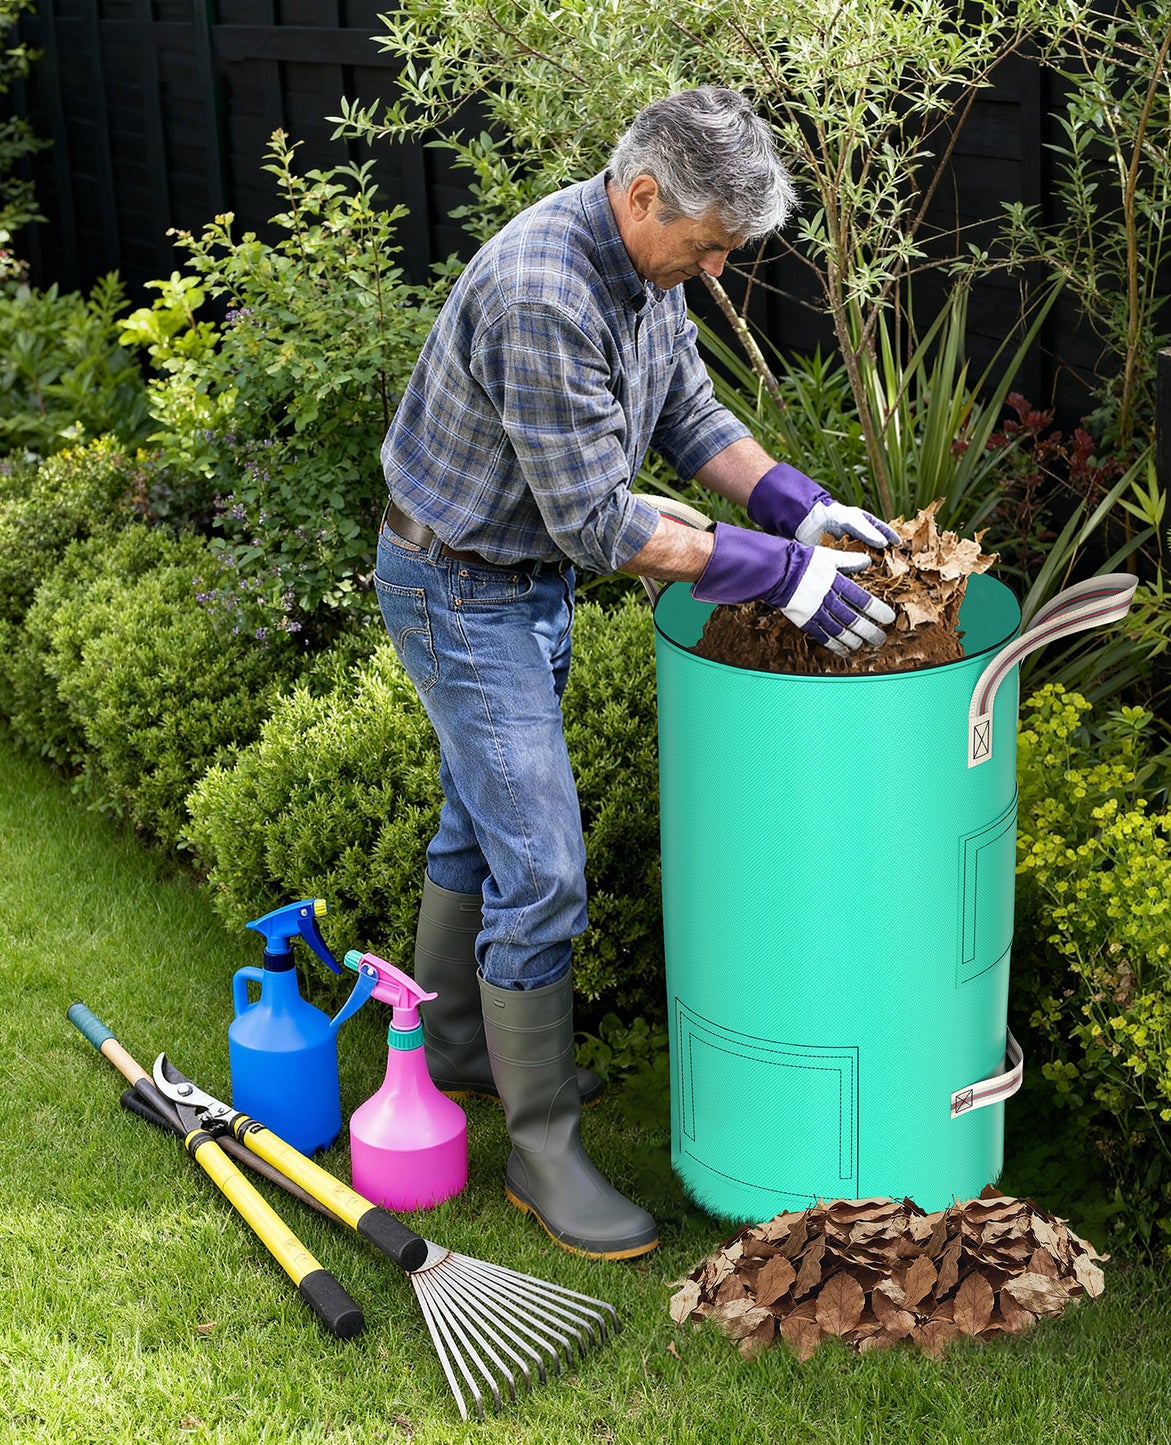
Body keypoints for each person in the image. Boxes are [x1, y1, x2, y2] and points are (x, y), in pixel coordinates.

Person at [374, 86, 898, 1260]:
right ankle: (540, 1146)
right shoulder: (542, 292)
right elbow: (599, 524)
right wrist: (774, 576)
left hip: (514, 582)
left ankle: (456, 1044)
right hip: (458, 586)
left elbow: (688, 413)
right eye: (708, 245)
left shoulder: (642, 270)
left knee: (482, 816)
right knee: (543, 861)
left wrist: (796, 506)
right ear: (643, 193)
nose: (716, 270)